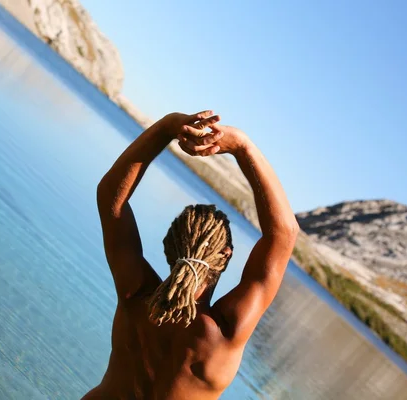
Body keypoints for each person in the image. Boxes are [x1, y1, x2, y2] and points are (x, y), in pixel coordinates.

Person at [83, 110, 299, 400]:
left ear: (169, 246)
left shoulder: (135, 294)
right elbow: (283, 235)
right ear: (226, 254)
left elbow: (111, 195)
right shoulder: (224, 332)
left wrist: (168, 127)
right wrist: (243, 147)